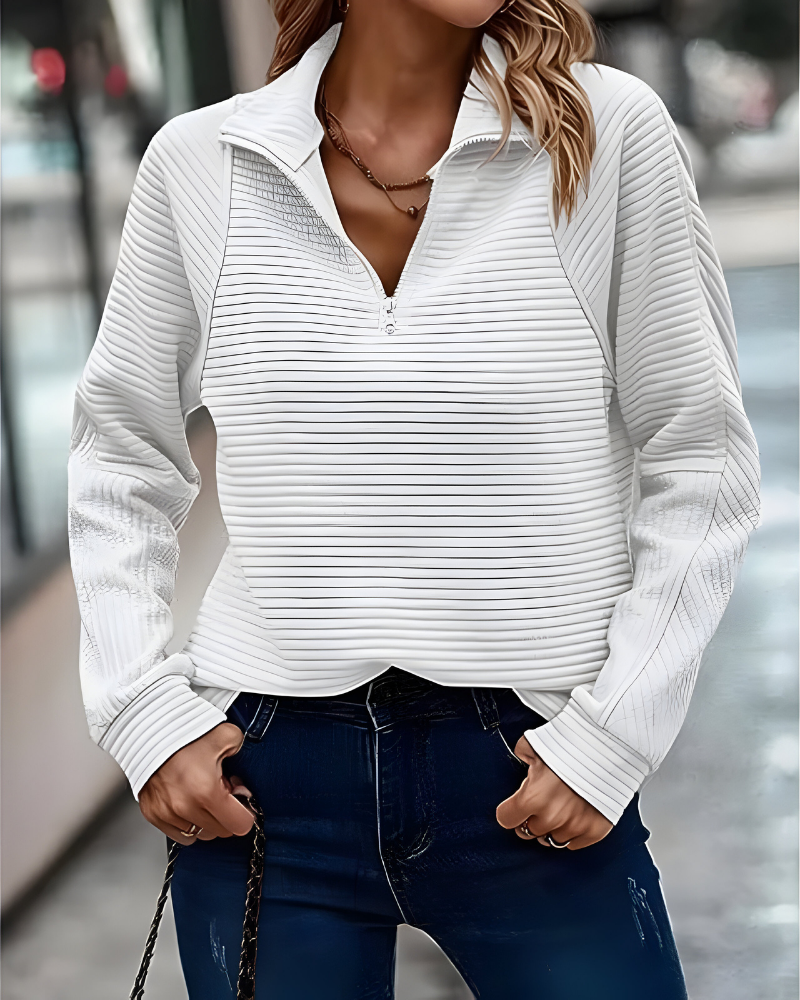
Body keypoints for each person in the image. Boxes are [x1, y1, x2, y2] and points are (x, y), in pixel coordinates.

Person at [68, 0, 760, 996]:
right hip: (262, 780)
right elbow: (118, 459)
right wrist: (143, 712)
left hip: (533, 763)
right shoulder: (201, 165)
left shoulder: (602, 135)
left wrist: (612, 735)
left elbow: (700, 457)